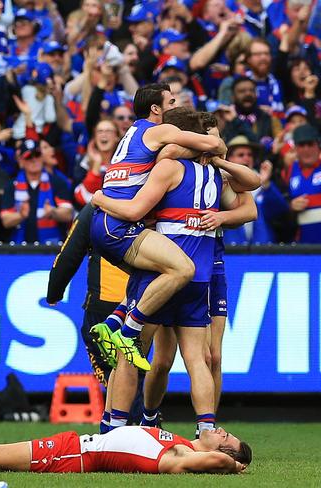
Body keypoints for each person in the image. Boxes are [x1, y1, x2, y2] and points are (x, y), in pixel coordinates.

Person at [93, 108, 259, 436]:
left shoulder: (165, 168)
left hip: (162, 270)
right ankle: (206, 429)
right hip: (200, 275)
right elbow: (253, 188)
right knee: (198, 358)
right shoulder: (215, 178)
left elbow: (137, 209)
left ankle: (112, 430)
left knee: (132, 352)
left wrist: (99, 198)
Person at [89, 83, 228, 372]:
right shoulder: (159, 130)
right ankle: (127, 332)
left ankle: (113, 322)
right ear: (156, 109)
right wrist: (203, 149)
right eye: (171, 101)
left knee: (151, 277)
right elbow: (216, 145)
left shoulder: (131, 134)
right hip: (119, 223)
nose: (175, 106)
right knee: (182, 269)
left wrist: (101, 198)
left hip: (104, 226)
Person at [0, 418, 251, 474]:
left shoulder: (182, 457)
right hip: (73, 444)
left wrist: (233, 467)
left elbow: (213, 459)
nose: (219, 431)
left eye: (226, 437)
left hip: (72, 456)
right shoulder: (178, 440)